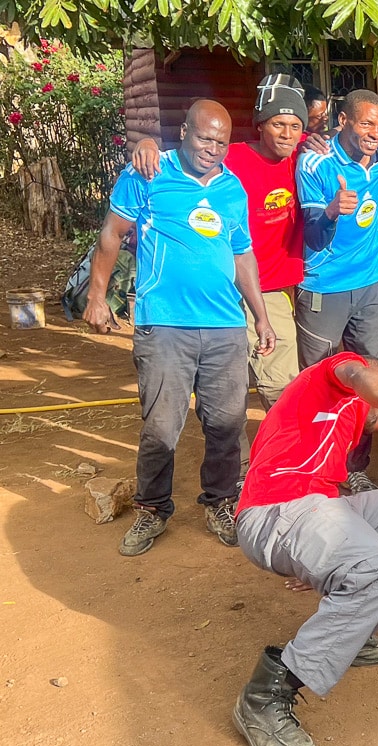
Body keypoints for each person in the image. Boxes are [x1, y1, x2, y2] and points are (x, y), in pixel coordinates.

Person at [232, 352, 378, 746]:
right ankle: (266, 695)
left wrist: (324, 559)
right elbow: (359, 373)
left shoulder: (343, 430)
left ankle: (355, 628)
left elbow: (329, 507)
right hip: (273, 511)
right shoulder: (336, 378)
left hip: (314, 511)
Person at [82, 99, 276, 556]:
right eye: (205, 138)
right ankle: (152, 508)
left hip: (226, 326)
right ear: (184, 131)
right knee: (162, 426)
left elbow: (242, 254)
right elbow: (112, 233)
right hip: (164, 324)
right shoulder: (148, 172)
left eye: (222, 142)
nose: (212, 149)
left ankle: (222, 501)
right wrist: (96, 296)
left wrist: (261, 316)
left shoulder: (232, 189)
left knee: (228, 424)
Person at [128, 73, 308, 410]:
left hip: (269, 289)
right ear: (260, 124)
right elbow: (184, 154)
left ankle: (283, 458)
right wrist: (148, 143)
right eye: (278, 124)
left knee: (282, 385)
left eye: (296, 126)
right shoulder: (231, 158)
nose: (287, 133)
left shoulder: (303, 155)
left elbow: (353, 131)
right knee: (226, 391)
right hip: (217, 294)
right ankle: (236, 463)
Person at [295, 89, 378, 491]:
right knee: (317, 381)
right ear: (343, 122)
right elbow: (314, 236)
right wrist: (332, 211)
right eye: (366, 123)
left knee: (366, 377)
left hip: (370, 285)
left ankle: (354, 466)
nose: (375, 132)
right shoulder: (314, 162)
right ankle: (314, 466)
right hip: (325, 287)